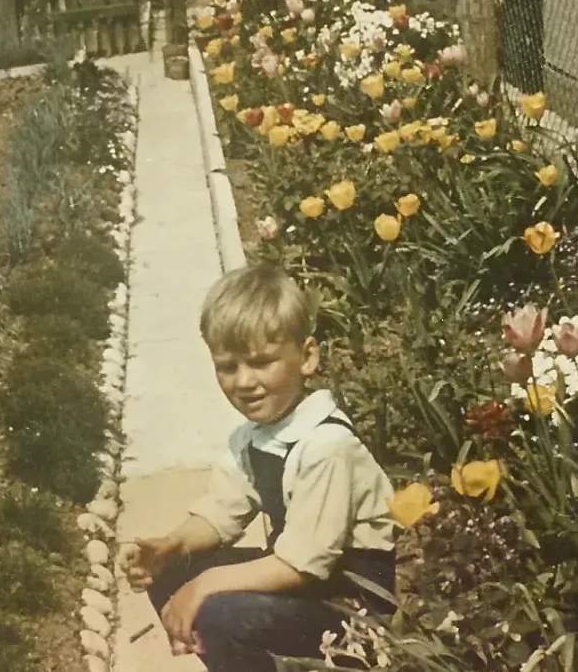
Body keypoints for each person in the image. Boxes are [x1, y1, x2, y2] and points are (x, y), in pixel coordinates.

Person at [118, 263, 397, 672]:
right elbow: (219, 514)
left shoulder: (327, 446)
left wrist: (202, 587)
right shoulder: (255, 437)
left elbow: (301, 566)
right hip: (309, 592)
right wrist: (170, 546)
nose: (245, 382)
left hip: (354, 610)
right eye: (228, 367)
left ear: (307, 357)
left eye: (262, 362)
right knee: (173, 572)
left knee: (220, 611)